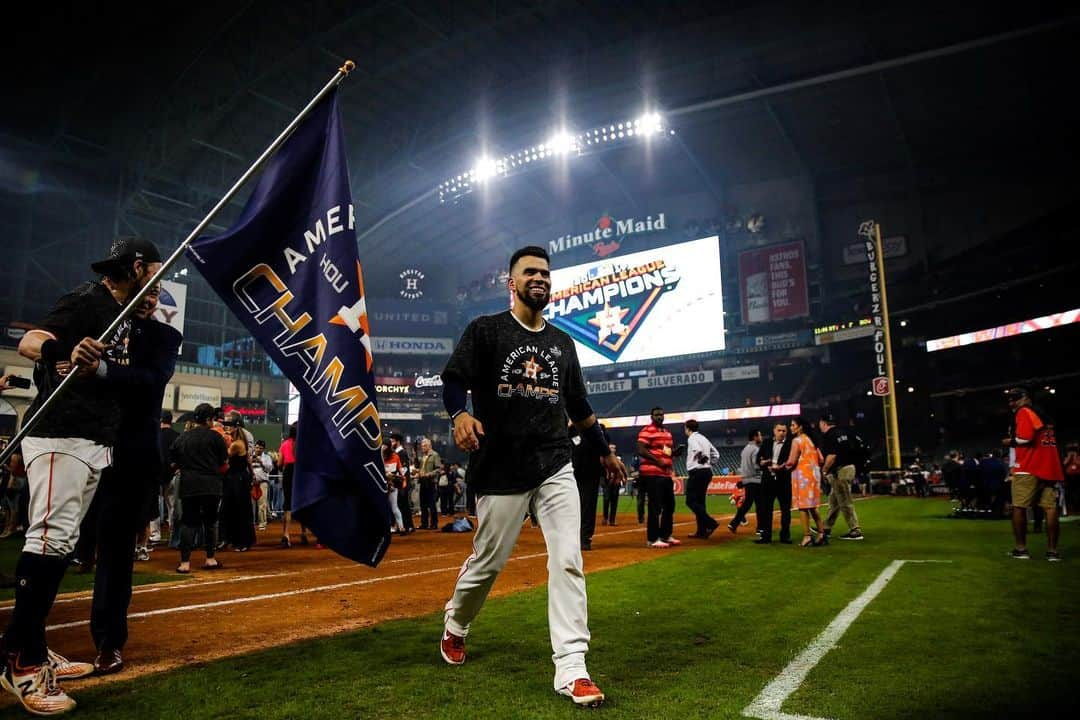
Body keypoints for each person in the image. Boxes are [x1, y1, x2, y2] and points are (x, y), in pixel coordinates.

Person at [438, 246, 625, 707]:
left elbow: (578, 408)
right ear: (512, 282)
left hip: (555, 461)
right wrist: (459, 414)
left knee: (567, 559)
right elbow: (453, 380)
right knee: (488, 563)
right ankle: (456, 623)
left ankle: (572, 667)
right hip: (501, 465)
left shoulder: (562, 343)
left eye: (545, 272)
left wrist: (603, 452)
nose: (539, 278)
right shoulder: (486, 331)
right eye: (530, 272)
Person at [0, 235, 160, 716]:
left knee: (59, 542)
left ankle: (33, 646)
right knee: (49, 542)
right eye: (154, 270)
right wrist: (59, 355)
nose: (159, 281)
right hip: (60, 435)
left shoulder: (127, 315)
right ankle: (21, 663)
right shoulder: (88, 301)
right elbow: (30, 340)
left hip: (89, 441)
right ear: (136, 267)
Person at [87, 280, 182, 676]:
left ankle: (109, 642)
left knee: (115, 552)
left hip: (129, 457)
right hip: (81, 443)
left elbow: (151, 380)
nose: (149, 299)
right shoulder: (93, 323)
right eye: (141, 291)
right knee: (53, 545)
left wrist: (103, 368)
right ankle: (30, 642)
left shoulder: (164, 335)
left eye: (155, 294)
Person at [1003, 388, 1064, 561]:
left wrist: (1010, 441)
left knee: (1019, 507)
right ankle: (1053, 552)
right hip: (1049, 467)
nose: (1011, 403)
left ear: (1025, 399)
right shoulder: (1045, 416)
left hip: (1028, 466)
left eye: (1015, 399)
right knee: (1050, 508)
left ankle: (1021, 549)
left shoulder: (1023, 412)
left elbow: (1026, 438)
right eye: (1010, 400)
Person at [170, 403, 228, 573]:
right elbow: (224, 465)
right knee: (210, 522)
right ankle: (210, 558)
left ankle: (185, 562)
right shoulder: (216, 437)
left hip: (189, 485)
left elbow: (173, 464)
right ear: (209, 419)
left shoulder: (182, 438)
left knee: (188, 523)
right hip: (211, 485)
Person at [637, 407, 680, 549]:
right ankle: (652, 538)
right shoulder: (646, 430)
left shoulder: (667, 432)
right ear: (651, 416)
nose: (660, 417)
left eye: (661, 414)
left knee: (670, 505)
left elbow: (665, 451)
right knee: (655, 507)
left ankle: (665, 535)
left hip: (665, 473)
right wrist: (657, 460)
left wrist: (674, 453)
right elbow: (641, 449)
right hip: (652, 473)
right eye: (657, 415)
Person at [818, 414, 864, 543]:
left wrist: (824, 470)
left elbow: (832, 456)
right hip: (849, 467)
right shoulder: (843, 432)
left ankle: (855, 529)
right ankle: (826, 527)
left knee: (844, 501)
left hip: (841, 470)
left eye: (820, 424)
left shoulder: (829, 435)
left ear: (824, 423)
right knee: (833, 502)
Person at [785, 416, 823, 547]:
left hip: (802, 476)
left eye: (793, 425)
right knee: (812, 507)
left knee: (802, 507)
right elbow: (821, 459)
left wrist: (779, 466)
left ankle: (807, 536)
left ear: (800, 427)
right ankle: (822, 533)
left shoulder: (797, 440)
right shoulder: (811, 440)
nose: (791, 427)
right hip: (814, 475)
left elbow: (791, 461)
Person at [571, 423, 607, 551]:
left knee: (588, 506)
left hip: (591, 473)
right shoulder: (570, 430)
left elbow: (605, 447)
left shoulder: (597, 428)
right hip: (572, 474)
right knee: (572, 507)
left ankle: (585, 539)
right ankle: (573, 538)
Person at [220, 423, 255, 552]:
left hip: (237, 479)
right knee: (235, 509)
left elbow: (225, 456)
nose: (227, 428)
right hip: (237, 478)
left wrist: (223, 439)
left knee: (240, 510)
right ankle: (236, 540)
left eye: (230, 426)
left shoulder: (237, 444)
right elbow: (248, 462)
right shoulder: (240, 443)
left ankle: (243, 541)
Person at [758, 422, 793, 544]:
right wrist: (762, 463)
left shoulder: (790, 444)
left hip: (784, 480)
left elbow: (791, 462)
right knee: (766, 509)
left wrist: (780, 468)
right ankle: (766, 536)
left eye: (784, 431)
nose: (782, 433)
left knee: (786, 510)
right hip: (768, 481)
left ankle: (785, 536)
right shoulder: (767, 443)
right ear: (774, 431)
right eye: (779, 430)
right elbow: (759, 458)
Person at [684, 419, 720, 539]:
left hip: (697, 472)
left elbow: (697, 450)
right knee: (700, 502)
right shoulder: (704, 438)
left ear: (687, 429)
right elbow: (716, 454)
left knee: (690, 501)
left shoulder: (692, 438)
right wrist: (709, 463)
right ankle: (702, 531)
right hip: (706, 471)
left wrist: (702, 459)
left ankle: (710, 523)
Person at [728, 429, 763, 535]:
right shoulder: (756, 449)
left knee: (747, 503)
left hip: (747, 479)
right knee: (760, 505)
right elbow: (756, 465)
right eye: (760, 435)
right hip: (755, 479)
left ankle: (734, 523)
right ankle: (760, 528)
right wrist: (765, 466)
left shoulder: (745, 449)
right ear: (755, 437)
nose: (761, 437)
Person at [389, 433, 415, 532]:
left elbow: (403, 470)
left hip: (402, 483)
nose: (391, 443)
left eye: (392, 441)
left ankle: (408, 526)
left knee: (403, 505)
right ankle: (405, 526)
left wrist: (394, 476)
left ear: (397, 442)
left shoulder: (402, 453)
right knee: (401, 505)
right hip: (399, 482)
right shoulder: (396, 453)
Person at [415, 438, 442, 529]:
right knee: (423, 504)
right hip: (423, 482)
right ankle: (424, 523)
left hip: (431, 482)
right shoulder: (423, 456)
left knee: (431, 504)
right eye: (422, 446)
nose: (422, 447)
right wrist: (418, 472)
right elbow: (422, 468)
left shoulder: (435, 455)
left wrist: (428, 474)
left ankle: (434, 524)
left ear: (430, 446)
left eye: (424, 446)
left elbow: (439, 469)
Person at [382, 444, 406, 533]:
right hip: (382, 485)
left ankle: (401, 527)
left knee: (394, 508)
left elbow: (400, 471)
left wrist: (401, 479)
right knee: (384, 508)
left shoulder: (395, 457)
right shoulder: (378, 456)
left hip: (392, 485)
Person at [252, 440, 273, 530]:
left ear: (263, 449)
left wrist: (261, 462)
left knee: (262, 504)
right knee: (251, 504)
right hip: (251, 483)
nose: (258, 449)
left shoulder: (267, 457)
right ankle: (251, 522)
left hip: (262, 482)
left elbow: (269, 469)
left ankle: (262, 523)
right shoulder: (250, 456)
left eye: (260, 448)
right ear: (254, 447)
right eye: (257, 447)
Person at [600, 444, 621, 527]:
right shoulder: (603, 458)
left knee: (614, 500)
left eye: (614, 448)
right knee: (606, 499)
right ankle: (605, 518)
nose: (612, 449)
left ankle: (612, 520)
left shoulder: (618, 459)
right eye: (611, 447)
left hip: (615, 482)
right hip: (606, 481)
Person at [1062, 443, 1080, 514]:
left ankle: (1078, 508)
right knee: (1069, 494)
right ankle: (1071, 509)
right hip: (1069, 478)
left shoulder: (1078, 457)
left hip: (1078, 477)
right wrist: (1069, 458)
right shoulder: (1066, 457)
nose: (1072, 452)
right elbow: (1063, 465)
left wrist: (1075, 457)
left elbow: (1078, 463)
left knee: (1078, 493)